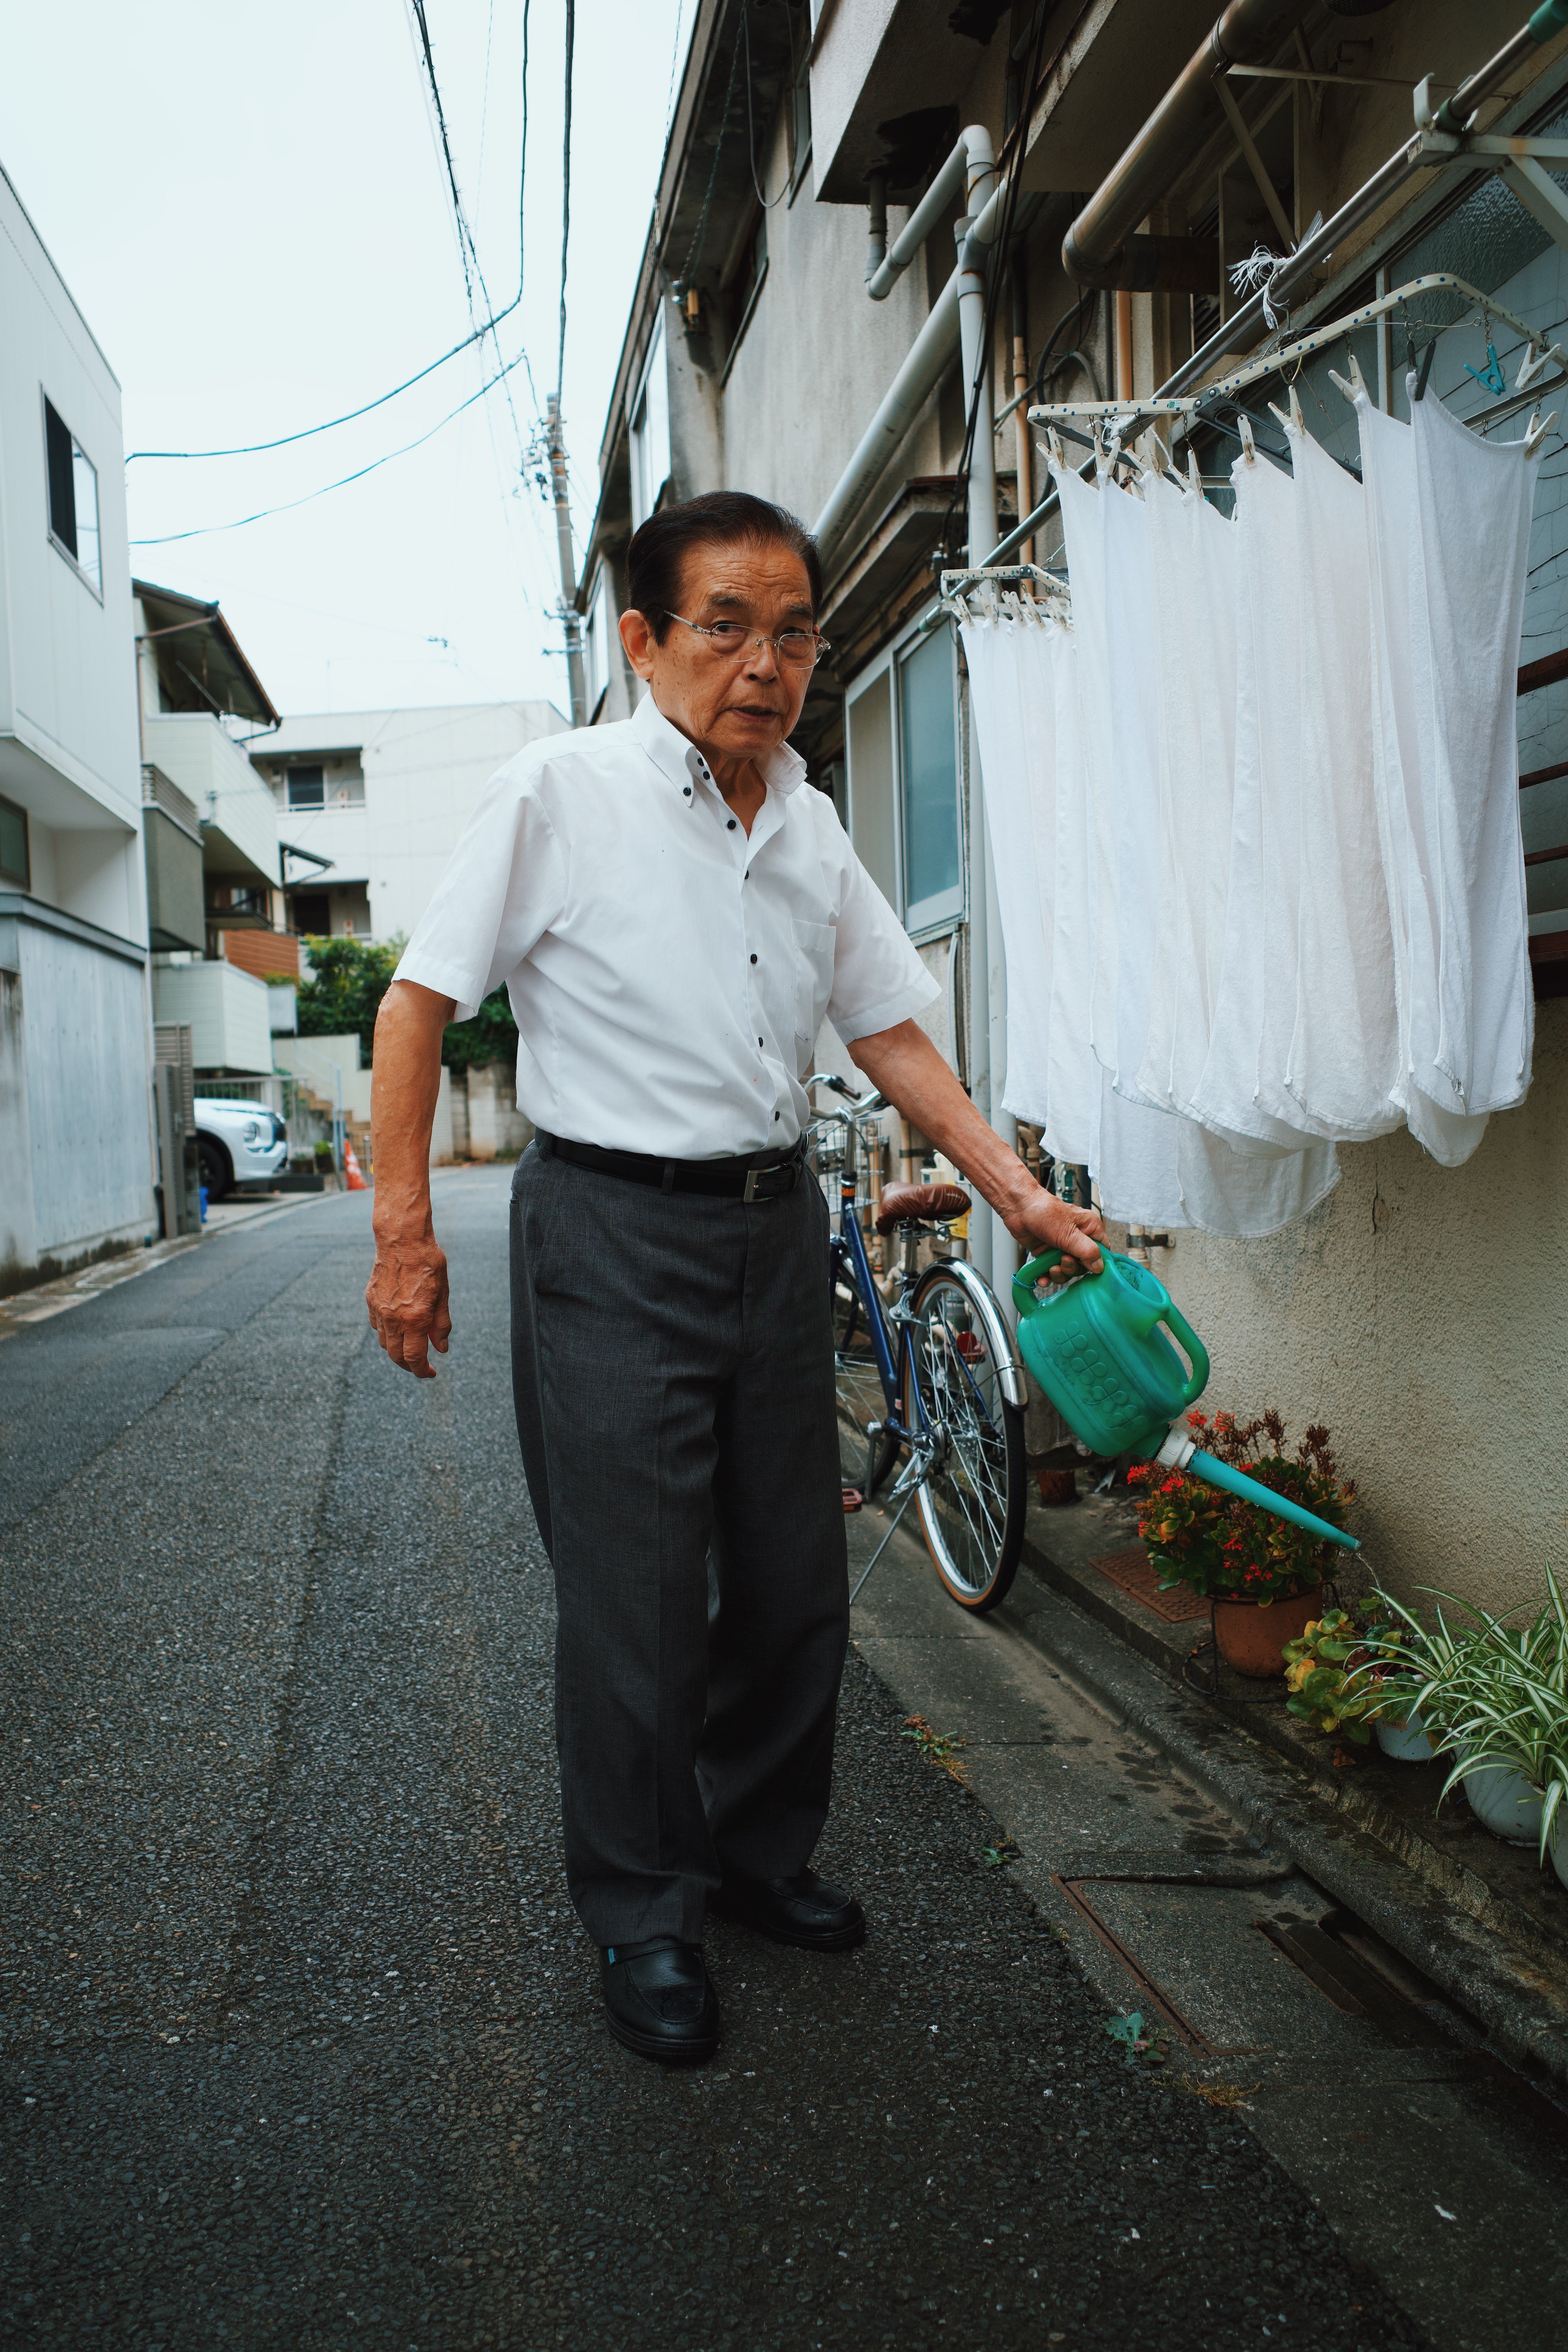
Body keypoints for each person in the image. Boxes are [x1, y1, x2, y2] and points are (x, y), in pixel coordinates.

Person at [366, 491, 1103, 2066]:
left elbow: (886, 1026)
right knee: (635, 1597)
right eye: (726, 628)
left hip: (773, 1231)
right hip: (608, 1230)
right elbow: (416, 1006)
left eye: (794, 634)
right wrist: (404, 1237)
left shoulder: (807, 821)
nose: (765, 664)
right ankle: (644, 1908)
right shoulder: (556, 792)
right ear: (644, 640)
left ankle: (760, 1856)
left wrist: (1017, 1193)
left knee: (789, 1578)